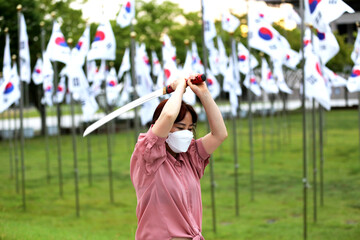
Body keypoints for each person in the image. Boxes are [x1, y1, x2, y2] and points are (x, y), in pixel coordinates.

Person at [130, 75, 228, 240]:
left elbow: (220, 134)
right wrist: (179, 89)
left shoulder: (191, 157)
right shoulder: (147, 156)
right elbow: (168, 116)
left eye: (190, 129)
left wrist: (204, 93)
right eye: (181, 127)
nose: (187, 134)